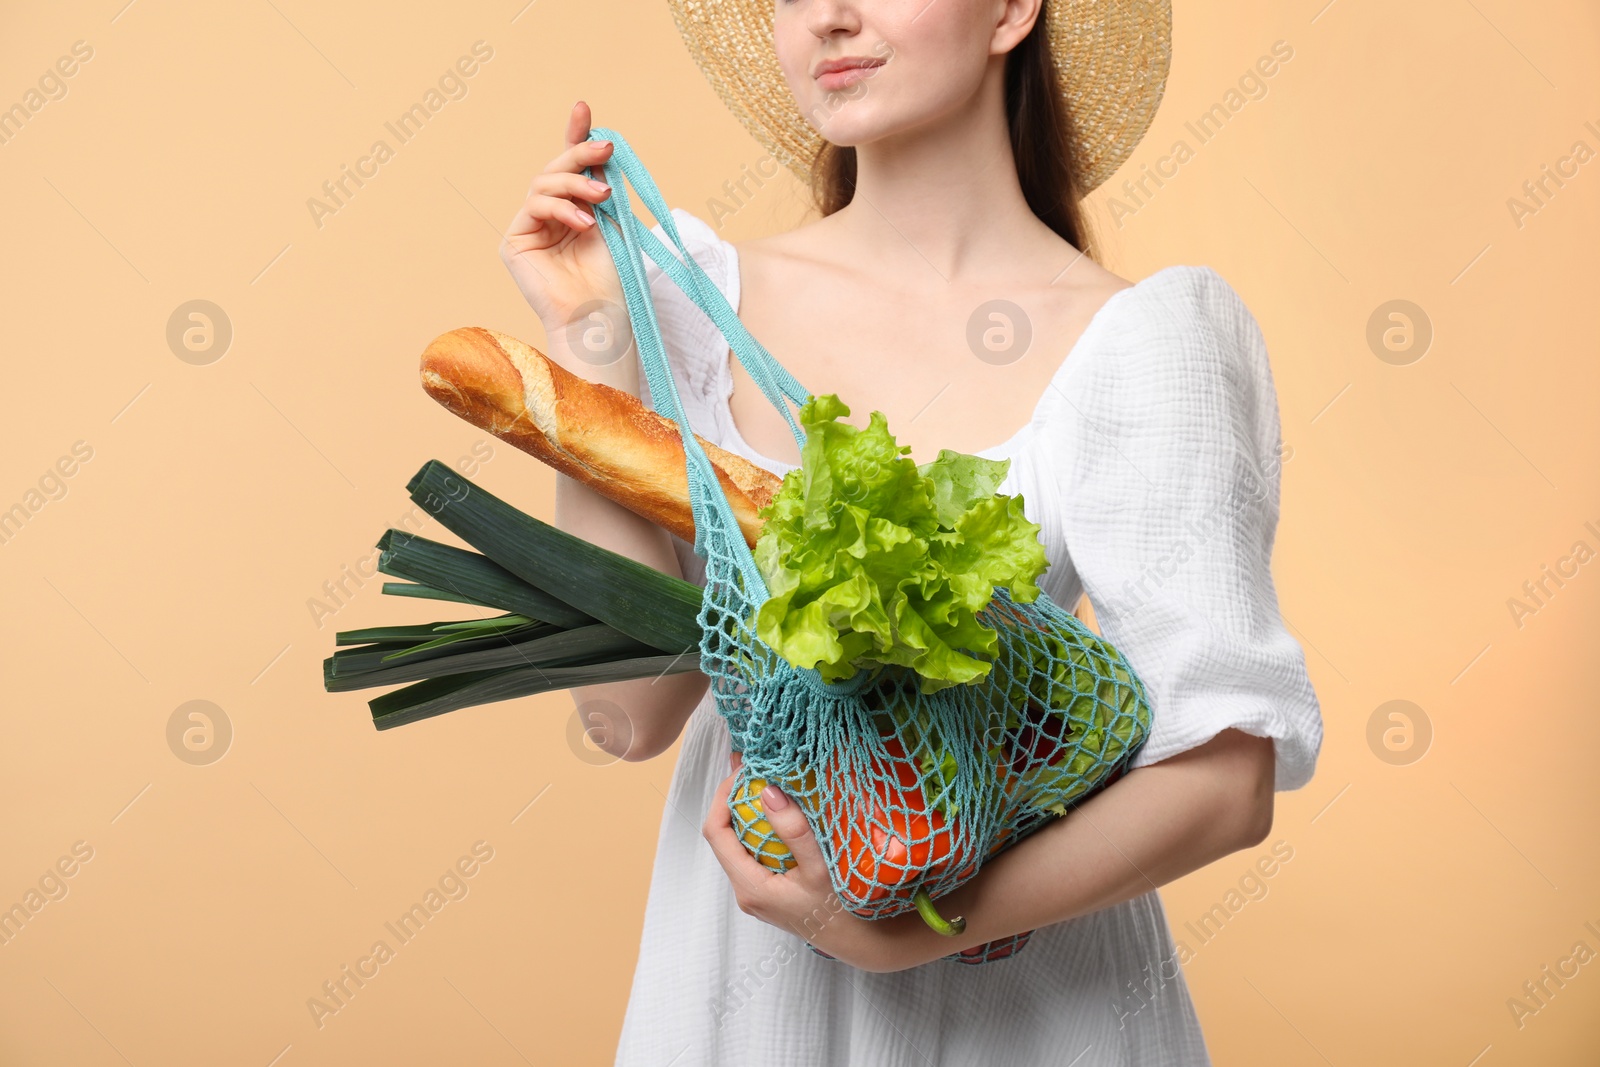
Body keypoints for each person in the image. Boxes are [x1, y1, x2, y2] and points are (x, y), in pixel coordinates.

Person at [499, 1, 1322, 1062]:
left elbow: (1226, 776)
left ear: (1013, 9)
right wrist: (591, 340)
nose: (829, 18)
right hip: (746, 999)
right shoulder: (693, 308)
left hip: (1029, 1003)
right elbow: (627, 711)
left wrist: (910, 932)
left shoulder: (1143, 344)